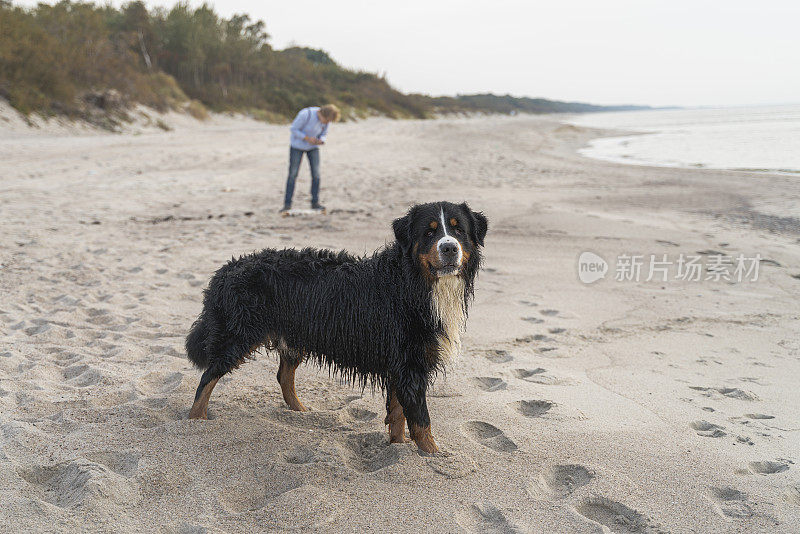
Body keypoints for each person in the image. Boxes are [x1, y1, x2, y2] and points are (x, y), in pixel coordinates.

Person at [280, 104, 340, 213]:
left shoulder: (327, 120)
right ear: (322, 114)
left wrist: (321, 140)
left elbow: (324, 133)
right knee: (293, 174)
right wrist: (307, 138)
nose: (326, 123)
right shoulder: (305, 114)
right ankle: (287, 204)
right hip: (297, 147)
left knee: (316, 175)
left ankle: (315, 203)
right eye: (326, 120)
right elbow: (293, 129)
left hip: (313, 148)